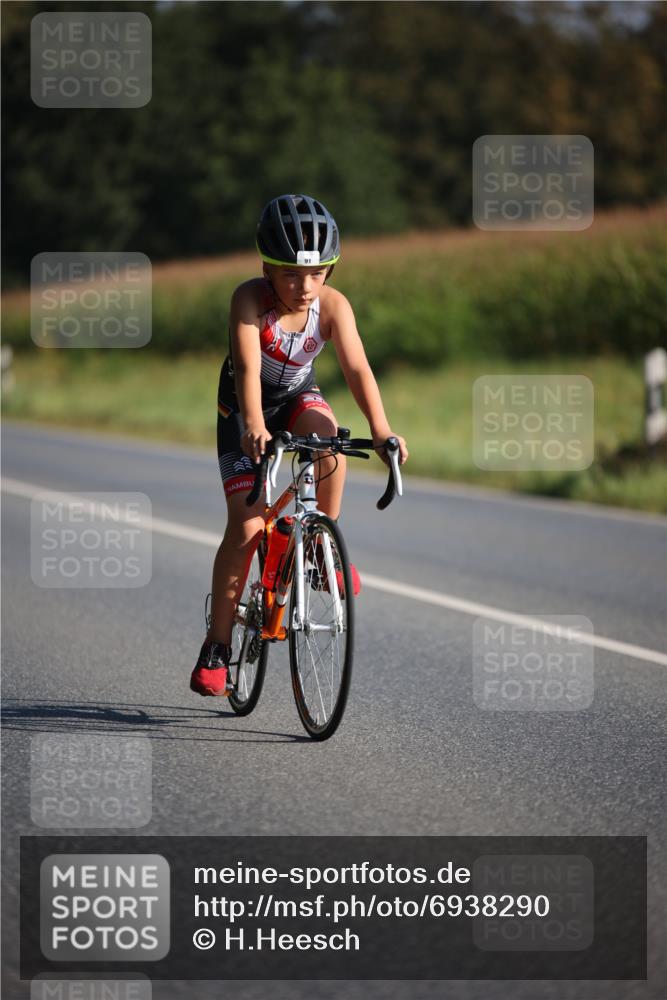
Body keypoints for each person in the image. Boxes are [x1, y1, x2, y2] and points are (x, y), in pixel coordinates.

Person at [190, 194, 408, 696]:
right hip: (243, 409)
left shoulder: (332, 306)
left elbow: (356, 368)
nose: (305, 287)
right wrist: (251, 425)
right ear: (267, 267)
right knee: (246, 526)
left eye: (317, 273)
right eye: (290, 274)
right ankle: (217, 645)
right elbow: (247, 368)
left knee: (332, 446)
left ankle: (317, 548)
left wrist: (381, 428)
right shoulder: (248, 299)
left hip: (295, 396)